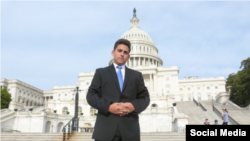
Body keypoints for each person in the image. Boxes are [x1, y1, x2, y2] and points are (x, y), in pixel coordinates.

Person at [86, 39, 150, 141]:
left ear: (128, 56)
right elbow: (91, 95)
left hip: (130, 132)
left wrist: (133, 106)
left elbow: (145, 98)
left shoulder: (136, 76)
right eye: (119, 51)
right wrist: (108, 106)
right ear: (113, 52)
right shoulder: (101, 73)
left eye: (125, 52)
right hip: (105, 130)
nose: (122, 54)